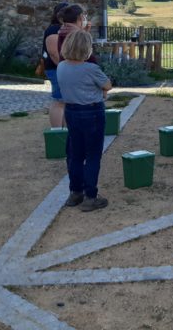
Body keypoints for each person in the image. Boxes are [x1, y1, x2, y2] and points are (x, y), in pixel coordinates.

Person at [57, 29, 113, 212]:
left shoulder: (61, 67)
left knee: (75, 154)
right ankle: (91, 196)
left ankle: (75, 192)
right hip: (92, 112)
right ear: (86, 49)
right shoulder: (91, 69)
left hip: (71, 111)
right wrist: (102, 91)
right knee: (93, 155)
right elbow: (107, 85)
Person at [41, 2, 68, 128]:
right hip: (56, 69)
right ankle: (57, 131)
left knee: (64, 101)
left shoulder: (61, 29)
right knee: (59, 101)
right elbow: (54, 54)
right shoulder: (54, 30)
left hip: (60, 68)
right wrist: (65, 69)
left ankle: (63, 129)